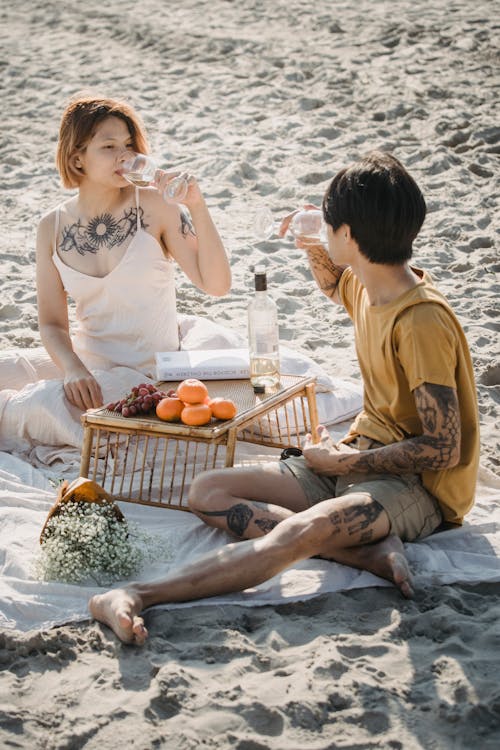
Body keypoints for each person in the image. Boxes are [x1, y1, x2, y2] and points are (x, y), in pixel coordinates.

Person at [89, 151, 480, 645]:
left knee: (295, 535)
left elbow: (445, 448)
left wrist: (340, 468)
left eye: (330, 220)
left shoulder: (419, 320)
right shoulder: (372, 281)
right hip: (358, 455)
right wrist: (315, 244)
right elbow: (335, 285)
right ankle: (361, 553)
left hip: (414, 486)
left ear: (351, 237)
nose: (325, 225)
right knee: (207, 492)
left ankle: (135, 595)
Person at [0, 94, 234, 451]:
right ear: (77, 157)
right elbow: (51, 324)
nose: (124, 156)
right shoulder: (52, 225)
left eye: (128, 145)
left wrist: (197, 207)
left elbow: (216, 285)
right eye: (108, 146)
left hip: (146, 375)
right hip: (86, 364)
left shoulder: (155, 205)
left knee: (41, 407)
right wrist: (74, 368)